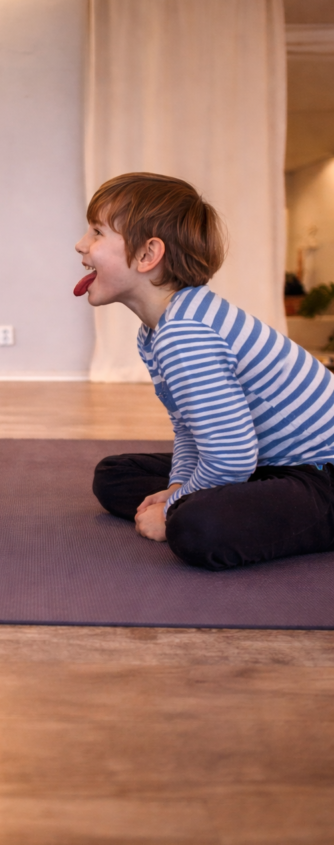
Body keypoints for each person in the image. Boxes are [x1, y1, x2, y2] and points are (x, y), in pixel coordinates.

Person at [74, 172, 334, 571]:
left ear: (147, 255)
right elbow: (190, 428)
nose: (81, 245)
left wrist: (175, 506)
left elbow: (231, 458)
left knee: (197, 528)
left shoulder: (186, 333)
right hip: (265, 462)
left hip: (319, 473)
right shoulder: (158, 329)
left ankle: (210, 511)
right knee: (115, 475)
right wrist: (178, 488)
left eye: (96, 233)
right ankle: (216, 504)